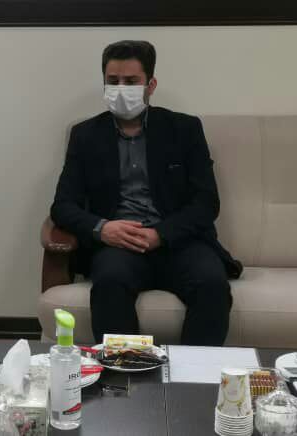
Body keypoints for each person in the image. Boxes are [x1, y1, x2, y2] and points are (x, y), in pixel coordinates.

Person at [50, 40, 242, 345]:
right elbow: (62, 206)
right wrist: (103, 229)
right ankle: (124, 373)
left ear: (150, 85)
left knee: (212, 285)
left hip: (178, 241)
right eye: (113, 81)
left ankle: (193, 373)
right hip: (117, 246)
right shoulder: (85, 135)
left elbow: (206, 202)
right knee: (109, 283)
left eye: (130, 82)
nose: (120, 89)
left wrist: (160, 234)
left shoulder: (184, 129)